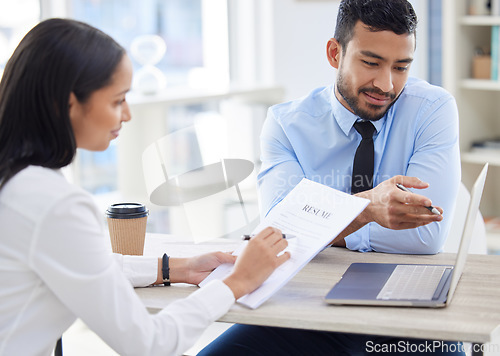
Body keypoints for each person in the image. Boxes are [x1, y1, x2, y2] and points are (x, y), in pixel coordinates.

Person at [0, 18, 290, 356]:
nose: (127, 115)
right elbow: (150, 344)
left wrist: (176, 268)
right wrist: (237, 282)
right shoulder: (53, 203)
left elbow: (85, 265)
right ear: (67, 103)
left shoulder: (20, 182)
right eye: (117, 100)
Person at [198, 0, 465, 354]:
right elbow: (278, 234)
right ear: (334, 53)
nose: (386, 84)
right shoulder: (286, 125)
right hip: (305, 312)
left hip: (411, 318)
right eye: (371, 63)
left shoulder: (432, 109)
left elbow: (425, 236)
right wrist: (369, 210)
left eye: (400, 67)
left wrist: (318, 225)